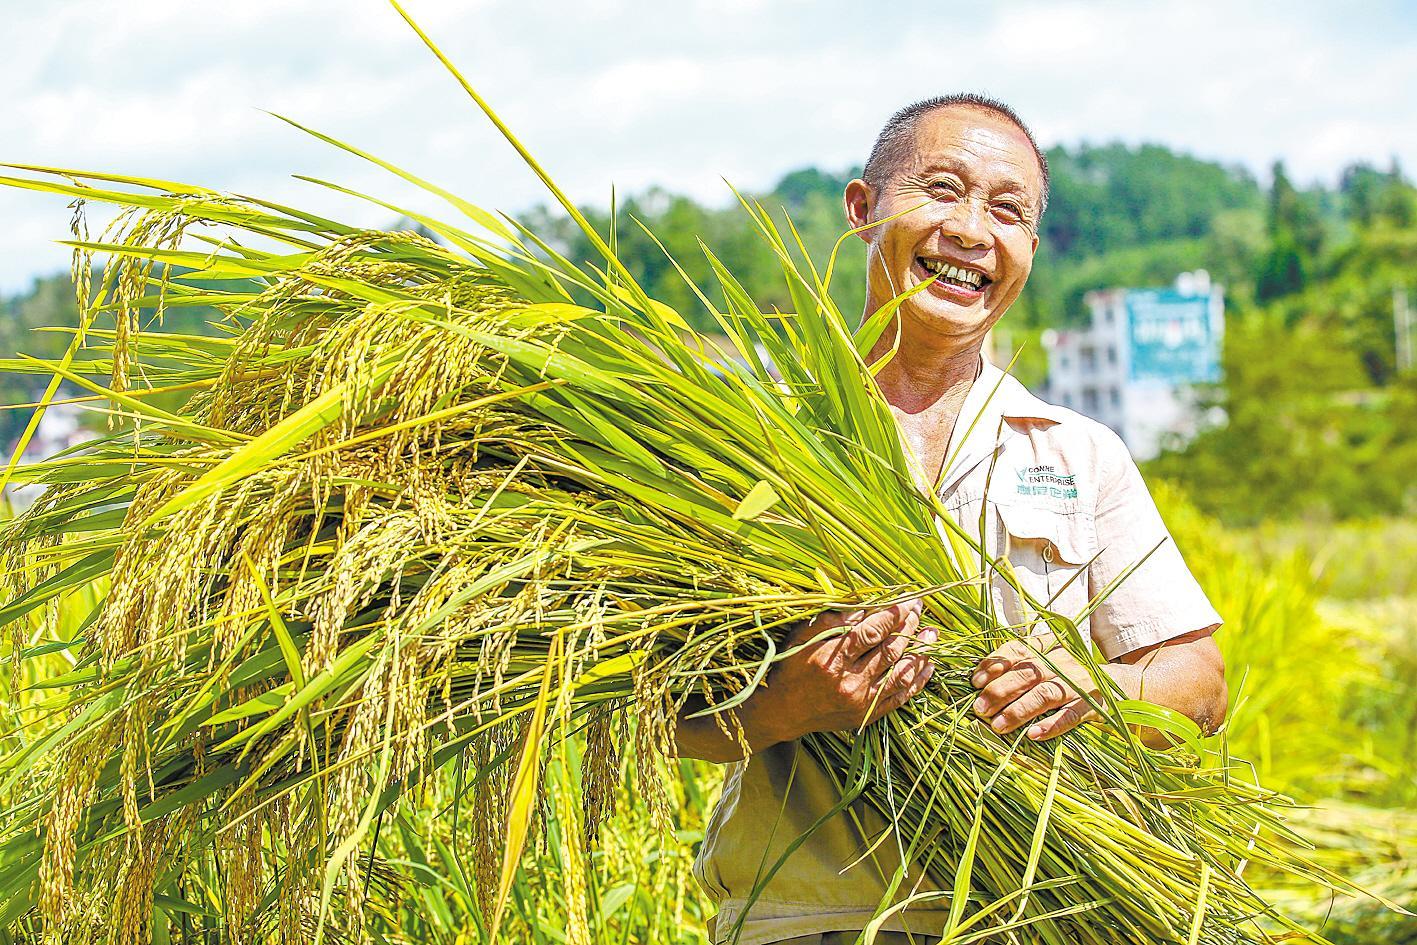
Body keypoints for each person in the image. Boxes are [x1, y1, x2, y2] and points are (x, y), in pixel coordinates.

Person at [674, 94, 1228, 945]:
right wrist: (793, 702)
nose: (973, 231)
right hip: (805, 921)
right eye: (942, 190)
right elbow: (668, 720)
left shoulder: (1078, 453)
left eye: (1008, 211)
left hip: (1041, 914)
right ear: (862, 211)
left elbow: (1196, 680)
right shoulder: (749, 443)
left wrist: (1096, 688)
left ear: (1029, 253)